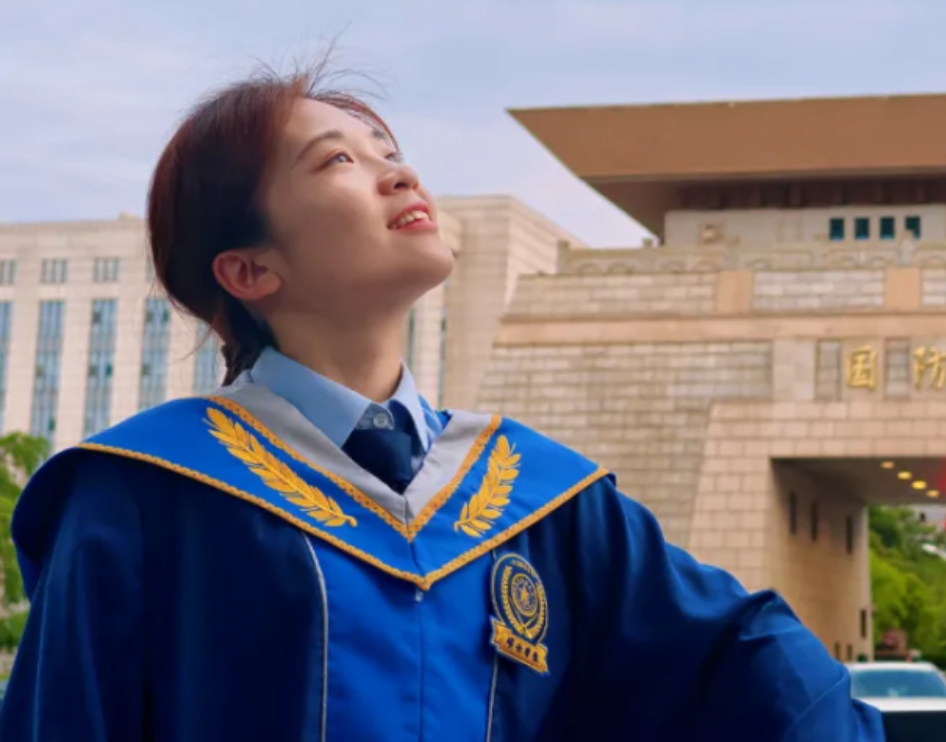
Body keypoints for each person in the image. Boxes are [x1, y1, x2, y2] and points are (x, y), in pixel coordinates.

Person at [0, 61, 884, 742]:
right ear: (249, 270)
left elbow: (748, 667)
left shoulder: (540, 501)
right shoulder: (145, 494)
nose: (398, 175)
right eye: (338, 160)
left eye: (390, 153)